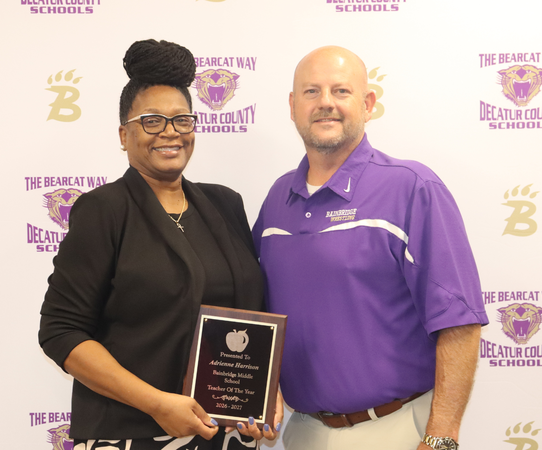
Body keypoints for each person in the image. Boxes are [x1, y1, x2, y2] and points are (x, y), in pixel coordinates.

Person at [39, 39, 279, 450]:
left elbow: (251, 319)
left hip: (226, 436)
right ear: (123, 133)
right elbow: (60, 331)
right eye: (151, 121)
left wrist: (261, 396)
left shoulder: (225, 203)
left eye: (181, 120)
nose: (169, 132)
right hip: (131, 434)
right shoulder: (103, 210)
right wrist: (155, 403)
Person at [252, 46, 489, 450]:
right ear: (293, 107)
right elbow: (258, 311)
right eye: (311, 92)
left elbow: (459, 323)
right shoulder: (278, 199)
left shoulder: (412, 187)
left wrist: (441, 438)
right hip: (303, 431)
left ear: (368, 104)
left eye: (340, 91)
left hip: (395, 428)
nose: (325, 103)